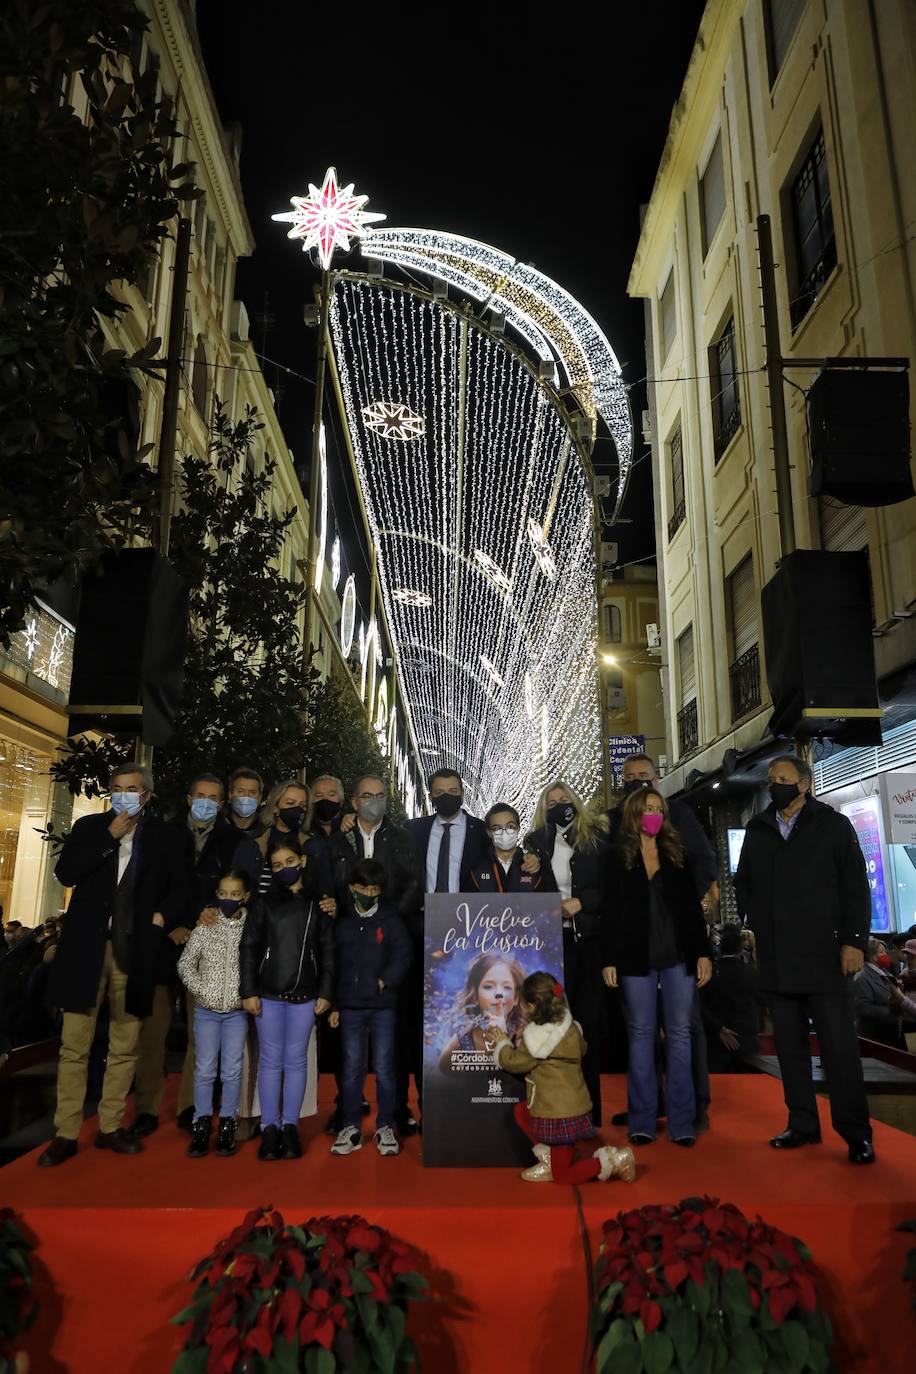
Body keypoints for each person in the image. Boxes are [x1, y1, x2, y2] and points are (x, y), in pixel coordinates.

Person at [38, 763, 193, 1167]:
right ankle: (66, 1131)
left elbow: (182, 887)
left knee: (126, 1043)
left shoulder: (166, 837)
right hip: (87, 949)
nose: (124, 794)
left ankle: (109, 1126)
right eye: (117, 788)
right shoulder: (91, 828)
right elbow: (67, 873)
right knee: (75, 1045)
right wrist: (109, 839)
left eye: (133, 789)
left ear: (147, 795)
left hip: (135, 950)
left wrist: (161, 918)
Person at [734, 754, 875, 1164]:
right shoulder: (758, 828)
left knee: (839, 1050)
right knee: (790, 1051)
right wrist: (750, 918)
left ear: (803, 785)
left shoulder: (832, 825)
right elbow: (743, 881)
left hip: (826, 957)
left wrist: (854, 942)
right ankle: (802, 1123)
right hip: (777, 958)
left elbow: (854, 888)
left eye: (784, 778)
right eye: (772, 778)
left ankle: (856, 1133)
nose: (775, 784)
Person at [130, 771, 261, 1139]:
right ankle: (147, 1108)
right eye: (199, 795)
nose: (205, 802)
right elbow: (149, 886)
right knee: (152, 1034)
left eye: (213, 798)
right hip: (160, 945)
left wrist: (199, 919)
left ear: (221, 804)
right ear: (189, 798)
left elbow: (234, 892)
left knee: (197, 1037)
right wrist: (173, 922)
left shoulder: (233, 840)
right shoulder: (162, 833)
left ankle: (191, 1107)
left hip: (207, 948)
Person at [609, 752, 716, 1133]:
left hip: (678, 955)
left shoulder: (677, 846)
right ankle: (643, 1116)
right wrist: (611, 956)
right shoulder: (615, 843)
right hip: (636, 955)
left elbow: (691, 906)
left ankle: (686, 1115)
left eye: (646, 778)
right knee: (640, 1034)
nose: (650, 809)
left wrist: (702, 951)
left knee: (682, 1033)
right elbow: (612, 909)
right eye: (631, 777)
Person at [398, 769, 491, 1131]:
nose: (447, 796)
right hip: (420, 932)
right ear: (430, 795)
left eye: (454, 790)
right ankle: (427, 1107)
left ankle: (468, 1106)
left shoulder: (482, 832)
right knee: (423, 1022)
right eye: (440, 792)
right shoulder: (413, 830)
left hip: (467, 938)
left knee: (465, 1019)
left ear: (463, 792)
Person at [486, 971, 636, 1185]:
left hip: (556, 1117)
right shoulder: (571, 1027)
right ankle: (551, 1159)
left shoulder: (536, 1040)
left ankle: (615, 1161)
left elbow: (512, 1062)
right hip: (575, 1109)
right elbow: (582, 1049)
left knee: (564, 1176)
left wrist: (502, 1042)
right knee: (522, 1111)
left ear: (530, 1007)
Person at [239, 840, 334, 1162]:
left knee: (295, 1062)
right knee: (269, 1061)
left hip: (306, 996)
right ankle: (270, 1127)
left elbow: (328, 952)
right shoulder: (262, 905)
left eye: (290, 861)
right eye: (276, 865)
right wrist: (248, 991)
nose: (284, 868)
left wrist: (325, 992)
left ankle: (290, 1126)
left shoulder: (318, 904)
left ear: (303, 860)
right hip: (267, 995)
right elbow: (248, 948)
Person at [525, 780, 611, 1123]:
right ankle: (550, 1110)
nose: (559, 805)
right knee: (550, 1022)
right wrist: (528, 869)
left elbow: (612, 888)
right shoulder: (534, 843)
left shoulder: (597, 838)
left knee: (586, 1025)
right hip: (548, 944)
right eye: (552, 801)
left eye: (564, 799)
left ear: (575, 801)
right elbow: (528, 889)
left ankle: (589, 1113)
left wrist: (583, 903)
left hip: (587, 942)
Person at [329, 858, 412, 1157]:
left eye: (374, 888)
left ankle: (385, 1126)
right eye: (362, 887)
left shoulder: (390, 918)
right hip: (350, 1007)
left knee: (385, 1068)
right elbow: (335, 964)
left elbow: (403, 954)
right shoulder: (343, 920)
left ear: (380, 890)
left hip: (382, 1007)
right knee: (352, 1069)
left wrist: (384, 981)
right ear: (352, 888)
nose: (368, 893)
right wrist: (336, 1004)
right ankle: (349, 1127)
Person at [177, 869, 251, 1158]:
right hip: (206, 1012)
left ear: (245, 897)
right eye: (223, 894)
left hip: (236, 1013)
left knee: (232, 1070)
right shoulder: (206, 926)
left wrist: (244, 994)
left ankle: (227, 1125)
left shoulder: (250, 929)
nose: (229, 899)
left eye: (235, 895)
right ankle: (201, 1124)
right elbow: (185, 964)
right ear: (217, 895)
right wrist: (202, 991)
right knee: (205, 1069)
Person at [438, 952, 527, 1072]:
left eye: (507, 987)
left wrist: (502, 1038)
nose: (498, 993)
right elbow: (444, 1068)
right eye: (488, 987)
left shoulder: (525, 1033)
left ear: (516, 998)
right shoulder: (464, 1038)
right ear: (475, 996)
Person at [701, 923, 764, 1071]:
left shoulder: (711, 974)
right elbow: (763, 1000)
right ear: (740, 950)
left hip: (716, 1043)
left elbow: (700, 1006)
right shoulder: (751, 973)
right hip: (747, 1041)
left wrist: (719, 1028)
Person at [466, 803, 554, 893]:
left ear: (518, 828)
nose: (504, 832)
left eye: (510, 826)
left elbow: (547, 903)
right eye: (497, 828)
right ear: (489, 832)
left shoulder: (534, 866)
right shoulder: (476, 870)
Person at [853, 939, 912, 1047]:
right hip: (873, 1035)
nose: (886, 955)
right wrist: (892, 1012)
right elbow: (861, 1008)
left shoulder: (885, 972)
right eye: (881, 952)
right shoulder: (863, 977)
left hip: (888, 1032)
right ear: (872, 956)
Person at [226, 767, 265, 836]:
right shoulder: (216, 827)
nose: (246, 796)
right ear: (230, 795)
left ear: (259, 798)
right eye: (240, 791)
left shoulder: (266, 831)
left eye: (252, 792)